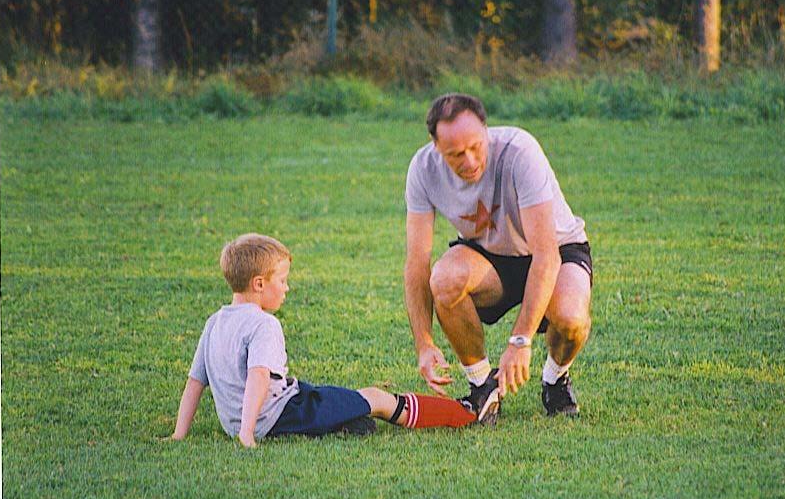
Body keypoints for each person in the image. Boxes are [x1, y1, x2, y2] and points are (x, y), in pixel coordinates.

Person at [170, 233, 479, 448]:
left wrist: (179, 434)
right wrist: (248, 434)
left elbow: (195, 382)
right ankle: (465, 414)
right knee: (377, 399)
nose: (287, 288)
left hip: (250, 417)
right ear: (259, 283)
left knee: (331, 399)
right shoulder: (263, 325)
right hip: (282, 415)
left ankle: (347, 422)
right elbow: (258, 378)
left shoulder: (214, 322)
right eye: (282, 281)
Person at [404, 93, 593, 422]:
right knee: (445, 278)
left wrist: (520, 341)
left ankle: (555, 379)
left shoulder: (520, 151)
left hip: (555, 249)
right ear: (436, 147)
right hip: (489, 257)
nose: (471, 161)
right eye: (455, 154)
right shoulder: (423, 169)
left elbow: (546, 256)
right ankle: (482, 385)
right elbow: (416, 263)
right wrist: (424, 343)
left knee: (571, 318)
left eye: (476, 146)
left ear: (486, 130)